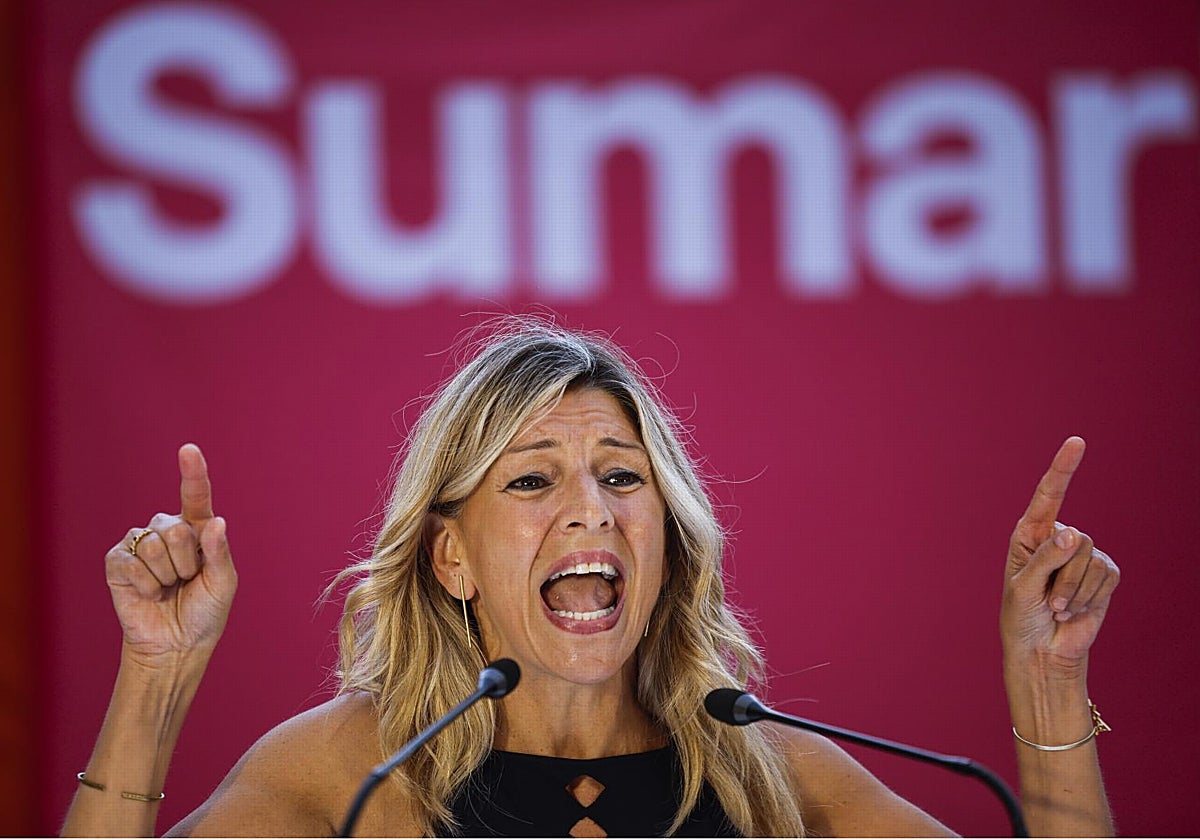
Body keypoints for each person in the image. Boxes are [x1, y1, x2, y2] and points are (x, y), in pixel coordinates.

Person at [62, 319, 1119, 837]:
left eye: (622, 476)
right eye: (532, 479)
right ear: (451, 557)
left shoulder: (772, 782)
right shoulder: (351, 776)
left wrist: (1049, 679)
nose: (593, 509)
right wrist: (156, 674)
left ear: (668, 537)